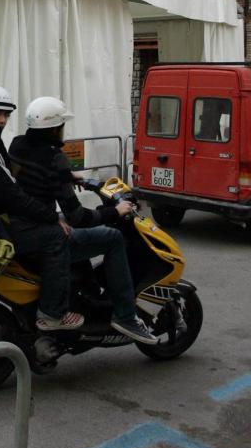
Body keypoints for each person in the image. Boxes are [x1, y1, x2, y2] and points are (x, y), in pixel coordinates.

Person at [9, 96, 158, 345]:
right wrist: (116, 211)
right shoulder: (55, 159)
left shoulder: (17, 145)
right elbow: (77, 217)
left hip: (19, 222)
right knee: (113, 237)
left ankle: (86, 294)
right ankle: (125, 316)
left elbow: (31, 177)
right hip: (42, 232)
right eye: (62, 126)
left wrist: (67, 177)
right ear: (55, 128)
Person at [0, 85, 85, 332]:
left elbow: (8, 177)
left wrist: (66, 175)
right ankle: (53, 314)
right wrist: (52, 216)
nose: (1, 120)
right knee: (57, 238)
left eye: (6, 114)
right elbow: (11, 192)